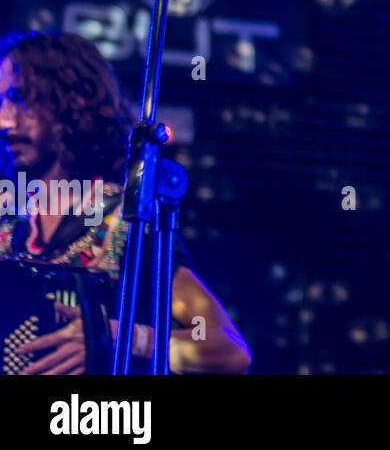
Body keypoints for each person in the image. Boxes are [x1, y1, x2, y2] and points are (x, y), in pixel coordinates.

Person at [0, 30, 251, 374]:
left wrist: (122, 338)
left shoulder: (126, 220)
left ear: (68, 101)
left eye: (20, 99)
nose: (4, 120)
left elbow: (229, 350)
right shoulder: (7, 212)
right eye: (0, 102)